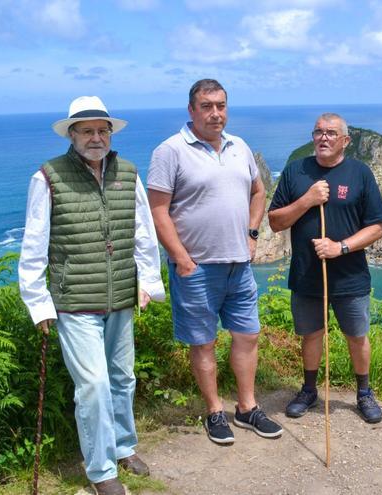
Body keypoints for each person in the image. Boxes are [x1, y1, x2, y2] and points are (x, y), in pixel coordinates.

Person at [18, 96, 165, 495]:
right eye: (87, 130)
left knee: (122, 378)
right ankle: (102, 472)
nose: (96, 137)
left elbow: (143, 233)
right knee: (95, 385)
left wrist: (148, 283)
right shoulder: (48, 177)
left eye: (103, 130)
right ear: (72, 134)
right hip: (74, 302)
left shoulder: (128, 172)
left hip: (120, 295)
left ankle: (123, 447)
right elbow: (34, 244)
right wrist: (39, 303)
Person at [147, 79, 283, 445]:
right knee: (203, 343)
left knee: (248, 336)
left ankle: (247, 407)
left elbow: (258, 191)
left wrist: (253, 235)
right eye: (206, 106)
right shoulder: (170, 151)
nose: (215, 113)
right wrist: (180, 259)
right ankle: (214, 411)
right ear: (191, 110)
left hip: (239, 265)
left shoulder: (240, 147)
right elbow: (157, 209)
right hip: (197, 268)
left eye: (221, 105)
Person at [268, 112, 382, 424]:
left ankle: (364, 393)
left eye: (331, 133)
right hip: (307, 274)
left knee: (357, 335)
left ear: (345, 141)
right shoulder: (297, 171)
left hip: (350, 276)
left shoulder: (360, 174)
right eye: (318, 132)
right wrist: (307, 200)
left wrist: (341, 247)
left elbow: (377, 227)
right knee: (311, 335)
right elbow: (275, 221)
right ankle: (309, 390)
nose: (324, 138)